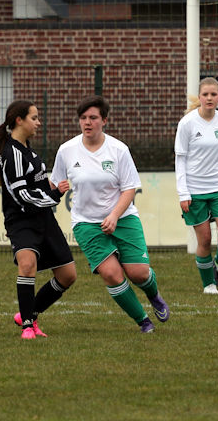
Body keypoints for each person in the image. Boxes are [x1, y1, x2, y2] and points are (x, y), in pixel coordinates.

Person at [51, 95, 167, 334]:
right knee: (111, 274)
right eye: (83, 118)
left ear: (104, 120)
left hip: (123, 218)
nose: (87, 122)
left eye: (93, 118)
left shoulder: (118, 149)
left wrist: (114, 215)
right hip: (86, 223)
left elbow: (129, 188)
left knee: (138, 273)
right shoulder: (66, 150)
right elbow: (54, 185)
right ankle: (144, 321)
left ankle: (153, 294)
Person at [0, 99, 76, 339]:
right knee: (28, 267)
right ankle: (28, 325)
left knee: (68, 276)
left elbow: (36, 182)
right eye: (34, 118)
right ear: (19, 120)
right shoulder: (12, 153)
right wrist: (55, 195)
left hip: (43, 219)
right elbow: (21, 195)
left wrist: (49, 186)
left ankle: (29, 313)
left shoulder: (29, 150)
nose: (38, 122)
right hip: (22, 220)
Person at [174, 76, 218, 294]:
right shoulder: (187, 123)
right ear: (200, 96)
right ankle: (208, 284)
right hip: (194, 189)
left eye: (213, 94)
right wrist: (183, 192)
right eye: (205, 94)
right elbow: (180, 158)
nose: (209, 98)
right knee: (204, 239)